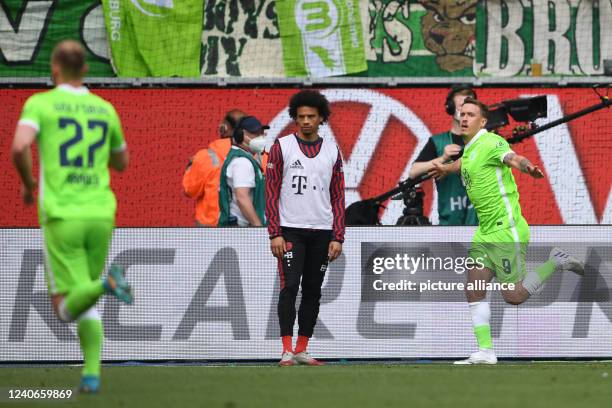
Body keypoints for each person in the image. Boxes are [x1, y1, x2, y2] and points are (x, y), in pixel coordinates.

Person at [10, 40, 133, 393]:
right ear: (85, 70)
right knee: (82, 300)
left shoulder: (40, 103)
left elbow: (19, 146)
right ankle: (91, 376)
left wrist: (30, 183)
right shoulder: (104, 109)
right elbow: (122, 162)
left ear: (53, 69)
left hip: (63, 215)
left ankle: (108, 284)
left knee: (65, 307)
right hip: (101, 213)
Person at [431, 97, 585, 364]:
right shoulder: (470, 148)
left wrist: (527, 168)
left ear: (483, 121)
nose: (464, 118)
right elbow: (466, 163)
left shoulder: (491, 141)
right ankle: (486, 352)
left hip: (507, 230)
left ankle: (556, 261)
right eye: (462, 114)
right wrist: (446, 168)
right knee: (474, 288)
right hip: (485, 231)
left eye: (470, 114)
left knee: (513, 296)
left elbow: (513, 158)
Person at [265, 90, 345, 366]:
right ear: (294, 118)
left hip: (322, 232)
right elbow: (271, 191)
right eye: (301, 117)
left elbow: (337, 196)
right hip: (290, 231)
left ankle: (302, 348)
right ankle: (286, 349)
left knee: (313, 290)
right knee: (289, 288)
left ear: (321, 118)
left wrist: (338, 236)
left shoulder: (333, 151)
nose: (306, 121)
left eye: (311, 116)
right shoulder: (282, 146)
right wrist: (275, 232)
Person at [409, 85, 478, 225]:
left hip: (483, 228)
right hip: (450, 228)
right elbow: (413, 172)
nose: (465, 112)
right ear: (451, 109)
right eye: (461, 107)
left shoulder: (487, 139)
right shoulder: (438, 142)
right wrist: (443, 158)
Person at [183, 109, 245, 226]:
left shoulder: (205, 156)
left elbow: (190, 190)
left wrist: (191, 165)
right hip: (248, 228)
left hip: (210, 230)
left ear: (224, 128)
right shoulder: (257, 156)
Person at [218, 116, 269, 226]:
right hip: (241, 231)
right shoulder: (242, 162)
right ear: (241, 135)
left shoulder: (243, 158)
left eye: (261, 133)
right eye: (255, 133)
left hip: (240, 229)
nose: (260, 137)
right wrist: (258, 226)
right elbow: (242, 198)